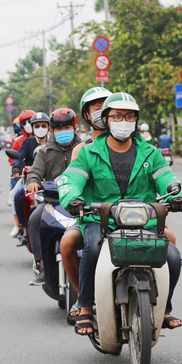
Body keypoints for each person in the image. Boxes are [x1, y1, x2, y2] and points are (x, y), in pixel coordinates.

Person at [58, 92, 182, 336]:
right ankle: (86, 306)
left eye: (129, 116)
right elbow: (72, 179)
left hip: (143, 220)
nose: (123, 121)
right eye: (117, 116)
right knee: (93, 249)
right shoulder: (88, 152)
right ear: (106, 120)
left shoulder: (151, 153)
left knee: (172, 257)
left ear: (136, 120)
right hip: (100, 220)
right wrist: (72, 199)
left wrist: (175, 195)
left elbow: (167, 179)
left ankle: (165, 308)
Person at [59, 86, 112, 315]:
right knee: (68, 244)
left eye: (106, 107)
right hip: (93, 216)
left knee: (167, 237)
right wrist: (74, 200)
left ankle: (161, 304)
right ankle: (83, 299)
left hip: (130, 215)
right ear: (87, 115)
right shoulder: (82, 150)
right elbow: (72, 181)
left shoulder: (134, 145)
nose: (102, 112)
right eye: (97, 108)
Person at [24, 108, 82, 286]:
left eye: (66, 127)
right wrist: (33, 182)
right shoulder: (44, 152)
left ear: (74, 128)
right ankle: (41, 264)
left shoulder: (86, 149)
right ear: (52, 131)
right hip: (52, 201)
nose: (63, 132)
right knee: (34, 219)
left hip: (80, 202)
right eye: (58, 129)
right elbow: (34, 172)